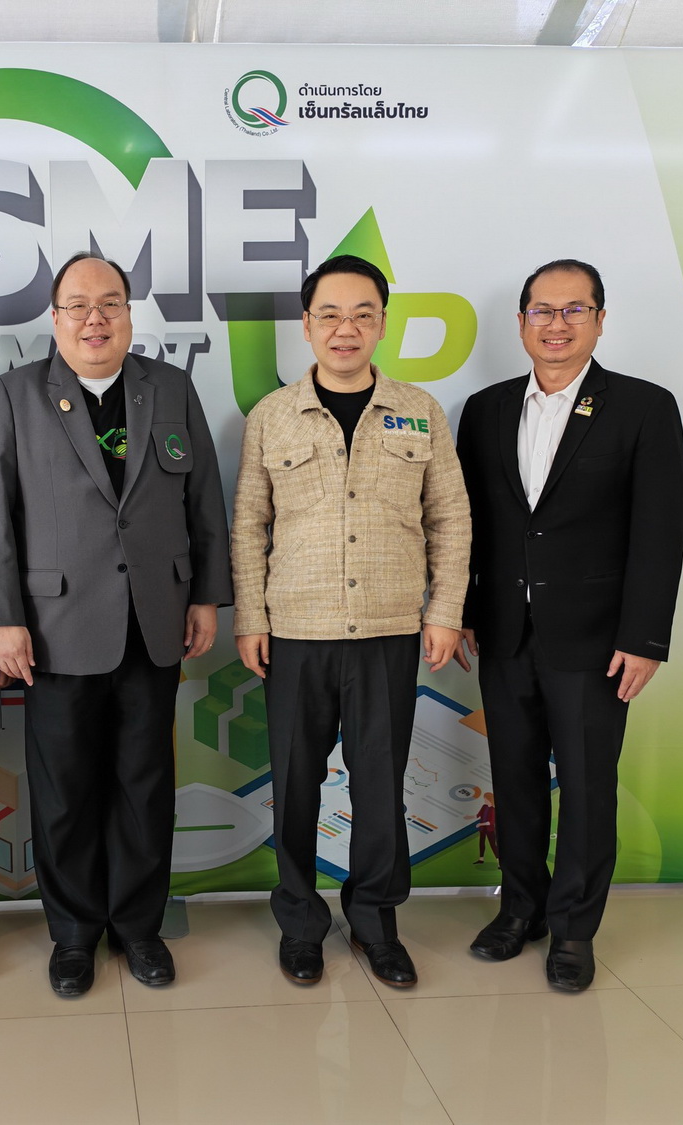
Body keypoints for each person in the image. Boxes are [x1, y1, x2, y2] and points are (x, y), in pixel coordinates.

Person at [0, 252, 231, 996]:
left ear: (128, 313)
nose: (96, 318)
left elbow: (203, 498)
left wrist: (205, 596)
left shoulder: (169, 387)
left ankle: (140, 928)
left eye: (110, 303)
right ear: (55, 319)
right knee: (64, 791)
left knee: (145, 784)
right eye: (79, 306)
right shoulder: (16, 394)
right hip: (54, 628)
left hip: (154, 620)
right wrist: (2, 620)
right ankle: (74, 934)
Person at [231, 254, 471, 989]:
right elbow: (248, 524)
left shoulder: (419, 410)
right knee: (296, 786)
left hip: (389, 632)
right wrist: (250, 617)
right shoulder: (272, 416)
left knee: (379, 786)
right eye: (330, 315)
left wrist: (445, 612)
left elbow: (450, 518)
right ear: (306, 325)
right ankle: (300, 924)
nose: (346, 329)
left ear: (382, 324)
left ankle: (375, 921)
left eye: (362, 314)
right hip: (295, 634)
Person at [456, 259, 683, 991]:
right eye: (542, 311)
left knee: (587, 787)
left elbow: (661, 530)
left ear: (599, 319)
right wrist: (464, 611)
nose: (556, 325)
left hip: (596, 640)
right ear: (521, 321)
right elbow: (468, 523)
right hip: (504, 632)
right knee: (514, 779)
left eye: (574, 310)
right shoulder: (485, 409)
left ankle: (574, 929)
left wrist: (644, 638)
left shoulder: (643, 407)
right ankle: (520, 909)